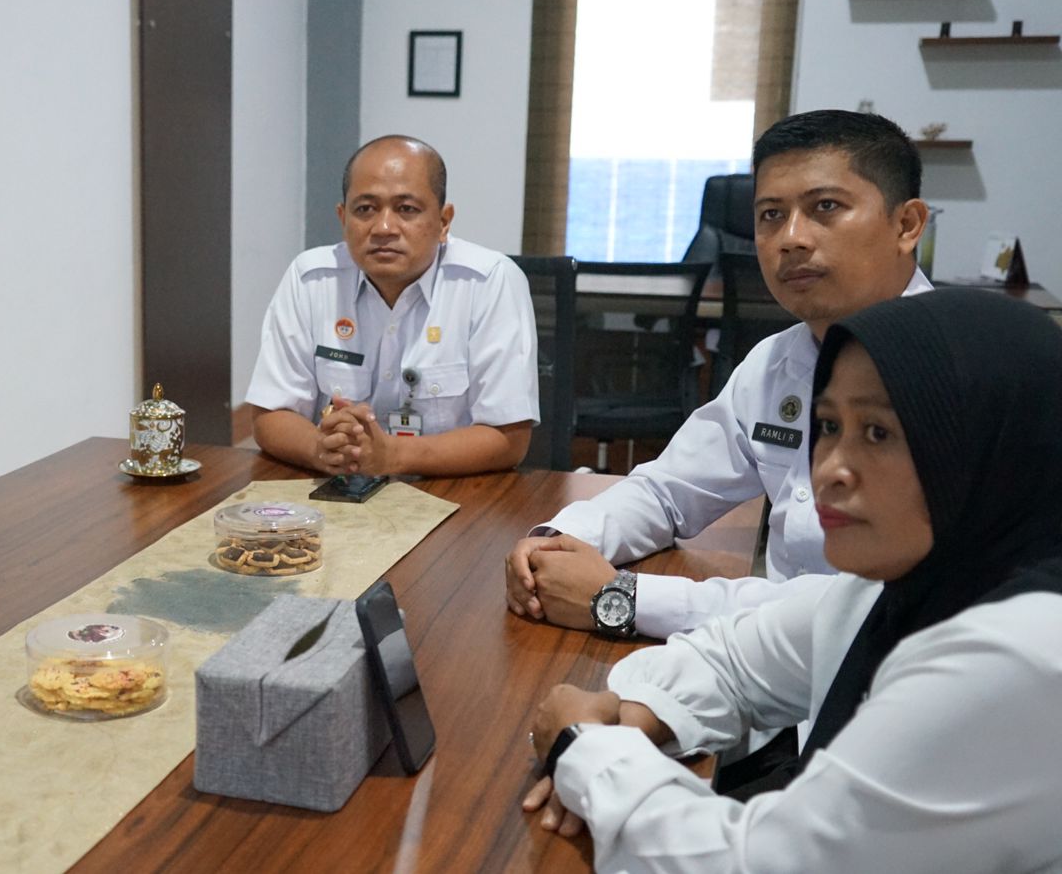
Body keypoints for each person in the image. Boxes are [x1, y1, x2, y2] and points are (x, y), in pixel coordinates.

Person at [521, 290, 1062, 872]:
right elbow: (733, 659)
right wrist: (633, 714)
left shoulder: (1016, 657)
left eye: (877, 433)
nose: (828, 468)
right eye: (827, 425)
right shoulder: (909, 578)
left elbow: (762, 863)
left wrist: (583, 749)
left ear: (992, 446)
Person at [505, 110, 931, 639]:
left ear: (906, 225)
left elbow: (869, 606)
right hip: (763, 665)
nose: (791, 238)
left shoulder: (963, 375)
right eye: (771, 214)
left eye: (825, 207)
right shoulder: (775, 362)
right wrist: (558, 541)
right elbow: (669, 491)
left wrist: (625, 598)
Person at [246, 135, 537, 478]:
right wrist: (321, 448)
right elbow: (271, 413)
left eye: (406, 209)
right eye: (365, 209)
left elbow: (508, 438)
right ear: (343, 218)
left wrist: (392, 456)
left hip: (452, 489)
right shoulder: (311, 279)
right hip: (338, 487)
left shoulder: (489, 282)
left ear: (444, 221)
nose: (384, 228)